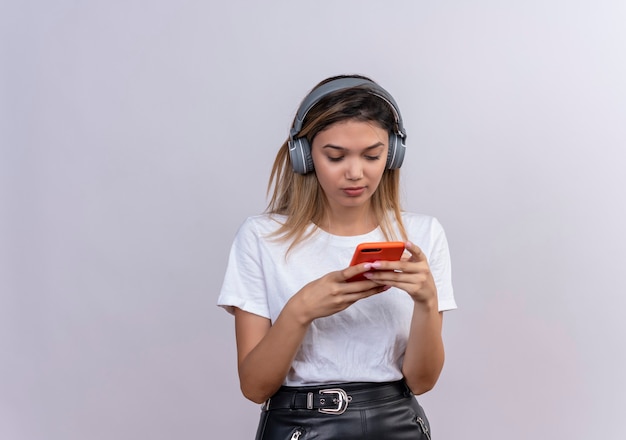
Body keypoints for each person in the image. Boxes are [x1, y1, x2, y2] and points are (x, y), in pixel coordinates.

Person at [217, 74, 457, 439]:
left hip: (398, 425)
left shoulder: (423, 236)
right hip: (300, 427)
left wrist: (426, 301)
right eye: (335, 156)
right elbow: (254, 387)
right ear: (304, 156)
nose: (355, 173)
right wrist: (301, 309)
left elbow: (422, 382)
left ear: (392, 154)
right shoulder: (260, 238)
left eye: (372, 155)